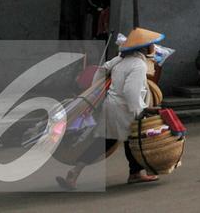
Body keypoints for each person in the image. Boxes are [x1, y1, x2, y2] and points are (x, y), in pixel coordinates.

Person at [59, 27, 166, 188]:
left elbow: (101, 71)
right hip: (125, 109)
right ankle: (135, 174)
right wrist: (141, 110)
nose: (153, 49)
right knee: (133, 140)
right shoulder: (138, 64)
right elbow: (131, 92)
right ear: (144, 48)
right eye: (151, 45)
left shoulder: (119, 60)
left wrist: (99, 93)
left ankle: (75, 172)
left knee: (106, 141)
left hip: (111, 105)